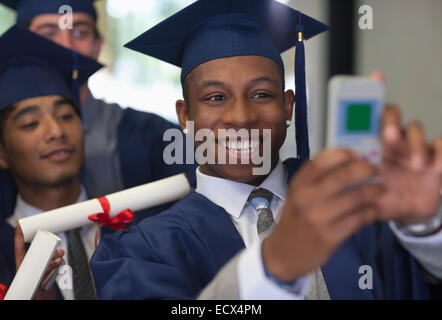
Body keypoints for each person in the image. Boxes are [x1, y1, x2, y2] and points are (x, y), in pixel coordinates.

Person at [90, 0, 442, 300]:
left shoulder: (361, 207)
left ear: (288, 107)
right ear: (185, 115)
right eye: (216, 98)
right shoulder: (143, 252)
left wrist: (425, 227)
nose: (241, 117)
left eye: (262, 94)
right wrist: (274, 265)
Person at [0, 0, 197, 230]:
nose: (65, 44)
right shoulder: (3, 145)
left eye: (80, 32)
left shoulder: (154, 135)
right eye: (48, 33)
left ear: (98, 45)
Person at [0, 25, 103, 300]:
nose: (56, 131)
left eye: (66, 116)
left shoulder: (133, 228)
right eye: (31, 123)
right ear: (0, 153)